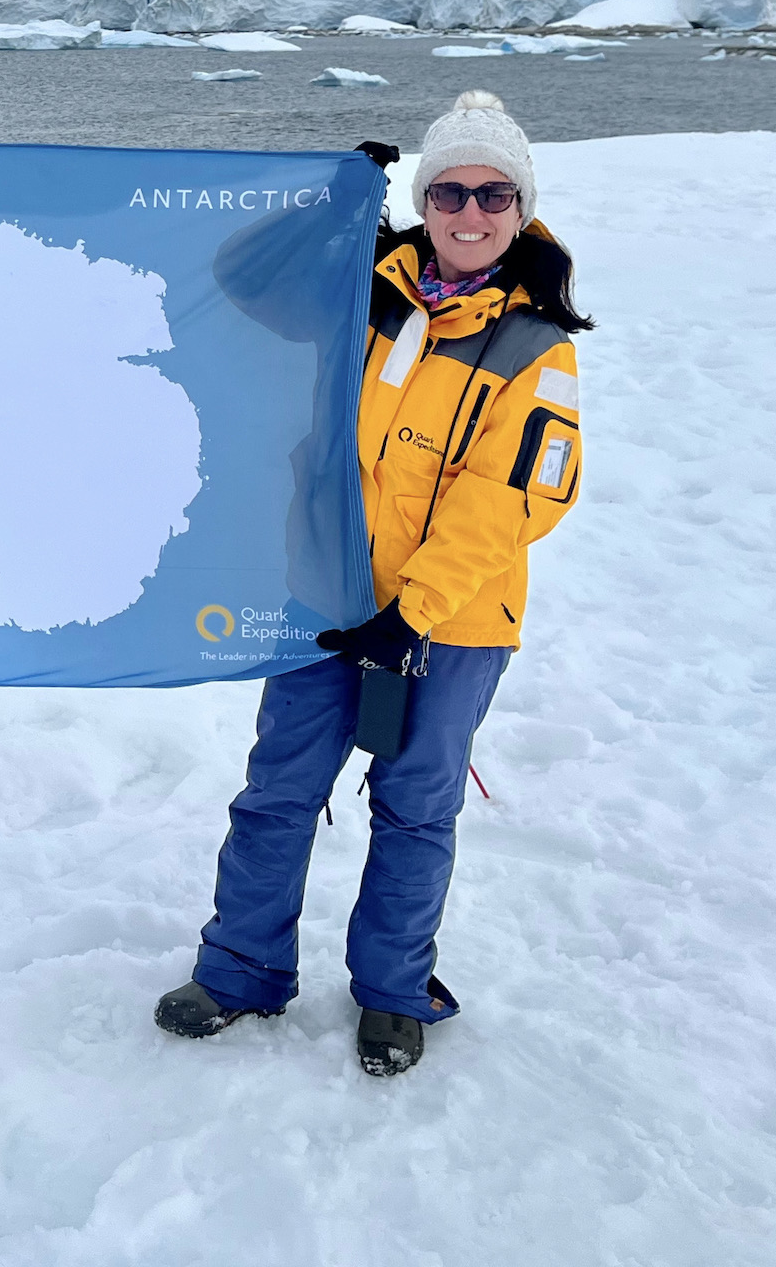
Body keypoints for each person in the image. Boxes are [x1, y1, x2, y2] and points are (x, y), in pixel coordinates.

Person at [157, 90, 590, 1076]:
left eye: (493, 195)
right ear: (424, 202)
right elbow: (240, 278)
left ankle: (394, 993)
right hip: (326, 599)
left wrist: (413, 612)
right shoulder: (362, 292)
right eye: (449, 192)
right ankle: (241, 970)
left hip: (451, 623)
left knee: (414, 808)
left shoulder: (538, 347)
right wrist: (331, 203)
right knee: (279, 791)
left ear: (521, 209)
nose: (470, 214)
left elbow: (513, 499)